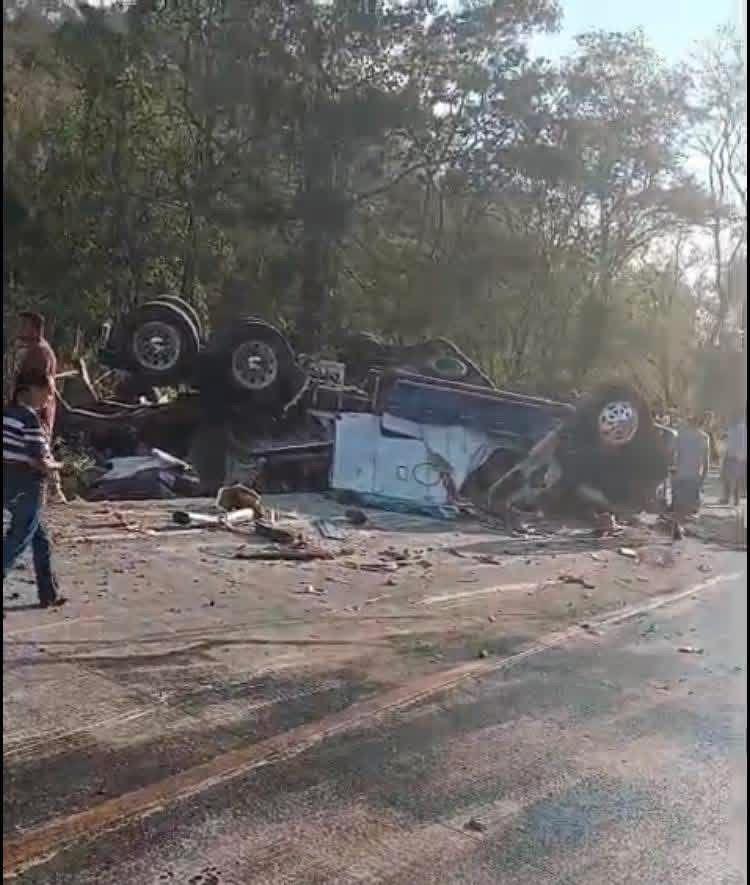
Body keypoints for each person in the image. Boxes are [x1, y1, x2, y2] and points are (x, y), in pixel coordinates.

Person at [3, 370, 66, 609]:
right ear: (28, 390)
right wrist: (60, 466)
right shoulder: (29, 418)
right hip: (26, 483)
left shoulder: (7, 414)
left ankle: (48, 593)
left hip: (9, 480)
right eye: (48, 391)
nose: (50, 397)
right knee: (19, 538)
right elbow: (38, 459)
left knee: (40, 538)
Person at [15, 311, 66, 503]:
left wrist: (30, 407)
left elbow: (41, 383)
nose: (21, 330)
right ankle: (52, 491)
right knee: (38, 448)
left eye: (24, 326)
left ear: (35, 329)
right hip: (34, 407)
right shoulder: (36, 350)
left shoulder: (40, 352)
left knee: (39, 448)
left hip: (36, 408)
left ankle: (53, 491)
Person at [671, 414, 711, 540]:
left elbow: (673, 453)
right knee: (688, 505)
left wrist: (673, 470)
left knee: (677, 503)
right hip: (694, 475)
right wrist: (703, 478)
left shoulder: (681, 435)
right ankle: (679, 525)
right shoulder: (704, 438)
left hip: (680, 473)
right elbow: (706, 462)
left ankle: (677, 525)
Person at [721, 413, 747, 506]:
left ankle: (727, 498)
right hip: (742, 458)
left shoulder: (732, 429)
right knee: (738, 479)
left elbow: (725, 439)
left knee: (727, 477)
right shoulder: (742, 429)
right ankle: (736, 500)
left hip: (731, 456)